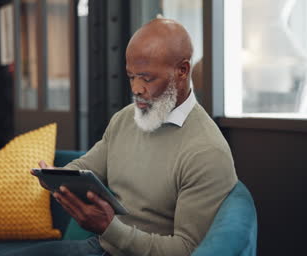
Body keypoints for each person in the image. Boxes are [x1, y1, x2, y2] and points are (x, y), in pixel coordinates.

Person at [34, 18, 237, 256]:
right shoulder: (125, 119)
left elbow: (186, 250)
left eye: (147, 78)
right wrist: (57, 177)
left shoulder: (207, 151)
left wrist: (109, 228)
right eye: (131, 77)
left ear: (182, 71)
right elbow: (88, 166)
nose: (136, 89)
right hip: (100, 248)